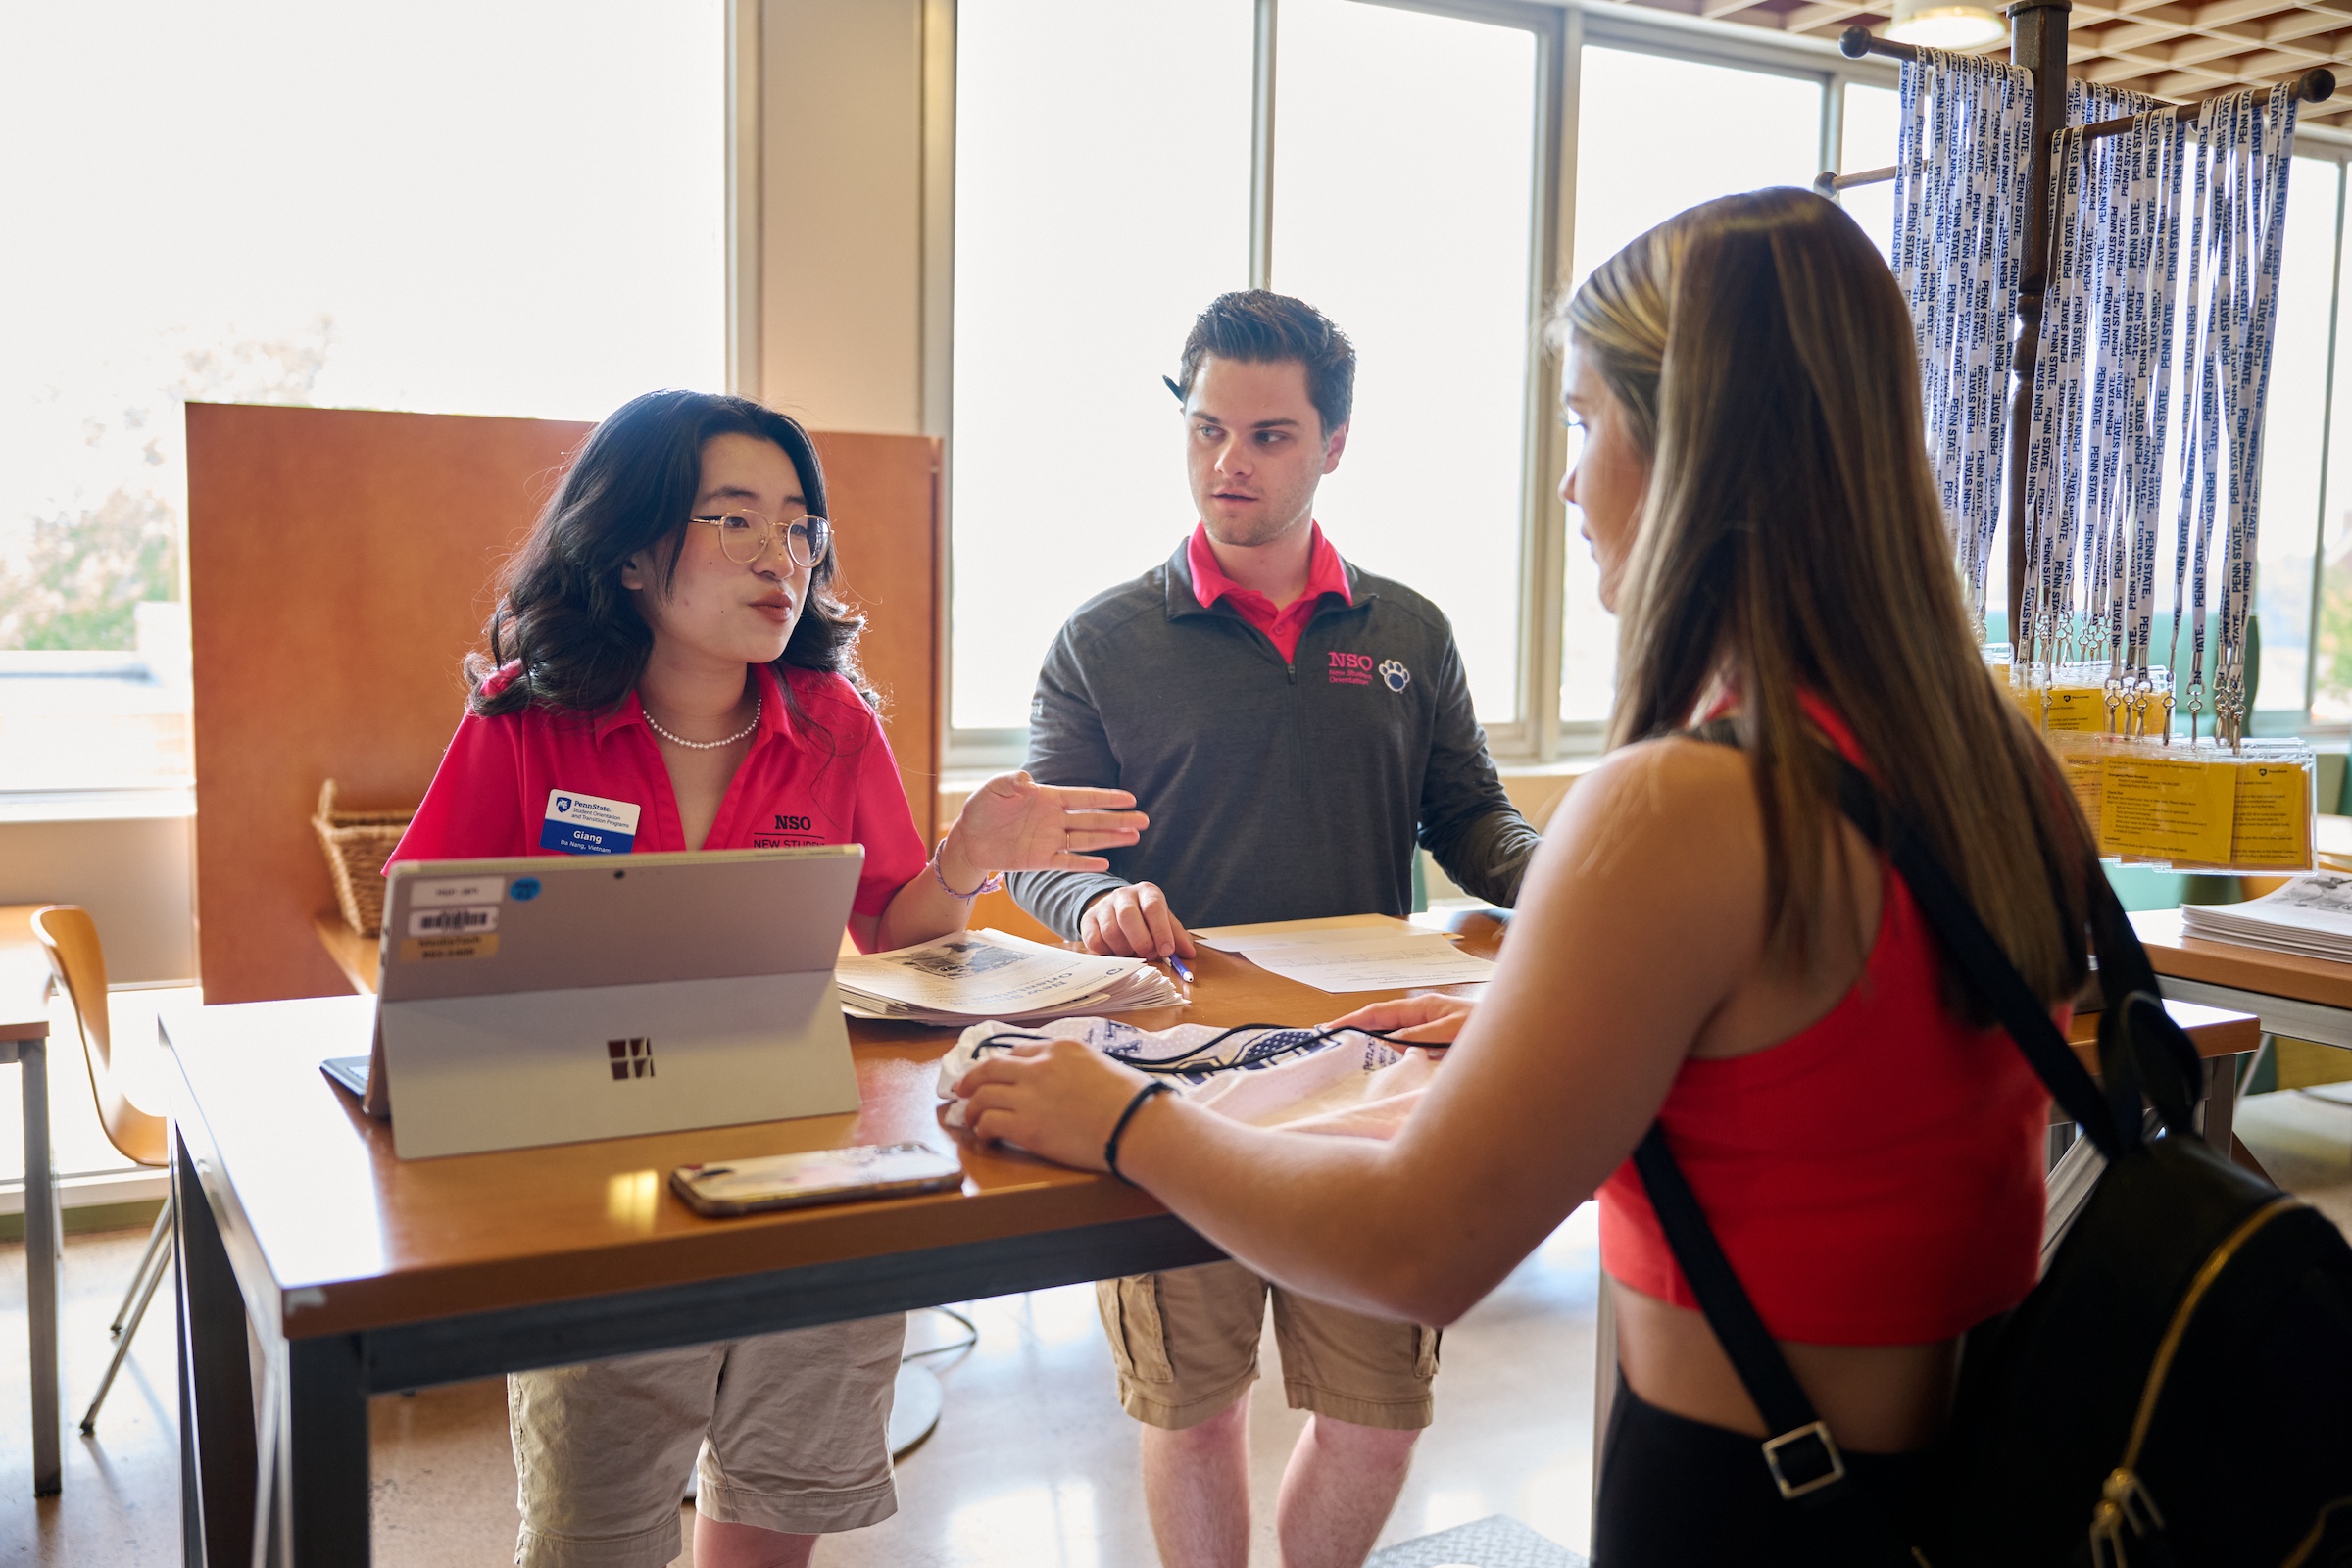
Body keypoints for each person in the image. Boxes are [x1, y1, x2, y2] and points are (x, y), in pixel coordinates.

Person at [957, 189, 2093, 1565]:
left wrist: (1118, 1115)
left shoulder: (1685, 804)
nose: (1567, 482)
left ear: (1696, 443)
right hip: (1976, 1483)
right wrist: (1539, 1004)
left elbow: (1417, 1244)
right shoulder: (2010, 769)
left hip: (1746, 1499)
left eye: (1583, 421)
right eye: (1208, 426)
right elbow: (1806, 1074)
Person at [387, 390, 1148, 1568]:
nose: (779, 558)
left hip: (809, 1169)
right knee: (595, 1534)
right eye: (733, 520)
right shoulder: (524, 725)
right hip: (600, 1187)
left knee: (776, 1519)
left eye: (798, 527)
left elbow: (898, 935)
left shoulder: (834, 720)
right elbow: (425, 950)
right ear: (635, 552)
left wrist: (968, 861)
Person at [1008, 290, 1542, 1568]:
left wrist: (1568, 873)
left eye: (1268, 436)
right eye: (1205, 430)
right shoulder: (1101, 643)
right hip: (1170, 1080)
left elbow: (1472, 818)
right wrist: (1099, 900)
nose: (1227, 464)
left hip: (1366, 1077)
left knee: (1377, 1419)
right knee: (1193, 1413)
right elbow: (1045, 862)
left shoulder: (1408, 632)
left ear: (1335, 444)